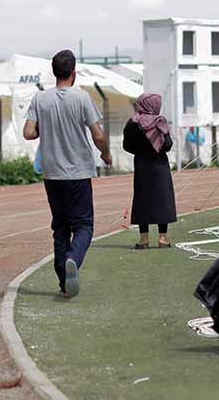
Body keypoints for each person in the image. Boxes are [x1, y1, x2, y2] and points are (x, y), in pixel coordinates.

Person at [24, 50, 111, 298]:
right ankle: (73, 258)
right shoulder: (82, 98)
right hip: (78, 172)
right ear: (73, 73)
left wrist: (44, 128)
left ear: (54, 72)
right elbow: (98, 134)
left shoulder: (40, 99)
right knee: (83, 225)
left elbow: (28, 133)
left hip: (52, 174)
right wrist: (105, 154)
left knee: (60, 228)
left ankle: (64, 282)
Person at [122, 93, 177, 249]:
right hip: (160, 166)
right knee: (163, 199)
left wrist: (140, 151)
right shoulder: (160, 122)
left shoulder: (132, 123)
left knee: (142, 200)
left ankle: (144, 239)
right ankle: (162, 238)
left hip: (141, 165)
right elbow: (167, 145)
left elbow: (126, 145)